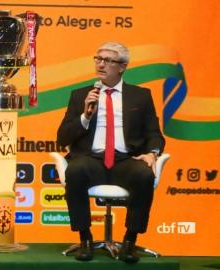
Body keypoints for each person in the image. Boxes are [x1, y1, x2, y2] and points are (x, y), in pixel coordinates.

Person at [57, 42, 165, 263]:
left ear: (122, 66)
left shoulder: (141, 96)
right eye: (98, 59)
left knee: (144, 174)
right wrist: (85, 117)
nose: (101, 64)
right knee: (75, 171)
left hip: (125, 159)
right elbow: (62, 138)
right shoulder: (80, 95)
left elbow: (154, 134)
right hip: (91, 159)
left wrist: (152, 153)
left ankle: (129, 241)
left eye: (108, 60)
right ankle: (85, 238)